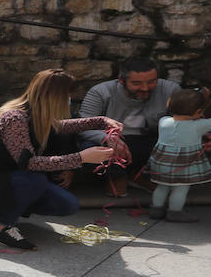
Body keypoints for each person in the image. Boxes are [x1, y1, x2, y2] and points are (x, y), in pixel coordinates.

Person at [0, 69, 121, 250]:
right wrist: (81, 158)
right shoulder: (14, 118)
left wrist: (102, 121)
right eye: (67, 95)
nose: (69, 100)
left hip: (8, 178)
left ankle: (4, 208)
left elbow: (61, 126)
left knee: (68, 204)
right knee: (35, 180)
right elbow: (30, 163)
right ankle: (0, 228)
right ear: (55, 96)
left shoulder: (35, 112)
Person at [77, 57, 180, 195]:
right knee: (91, 147)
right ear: (121, 81)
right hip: (112, 143)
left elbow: (183, 122)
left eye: (151, 82)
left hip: (151, 141)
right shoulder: (100, 92)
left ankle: (142, 175)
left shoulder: (170, 90)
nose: (145, 88)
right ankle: (119, 177)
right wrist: (108, 138)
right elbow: (83, 126)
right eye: (137, 83)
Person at [147, 89, 211, 220]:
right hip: (183, 166)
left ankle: (156, 209)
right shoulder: (200, 125)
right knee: (181, 189)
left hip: (162, 164)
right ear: (198, 111)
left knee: (161, 187)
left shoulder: (163, 121)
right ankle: (175, 212)